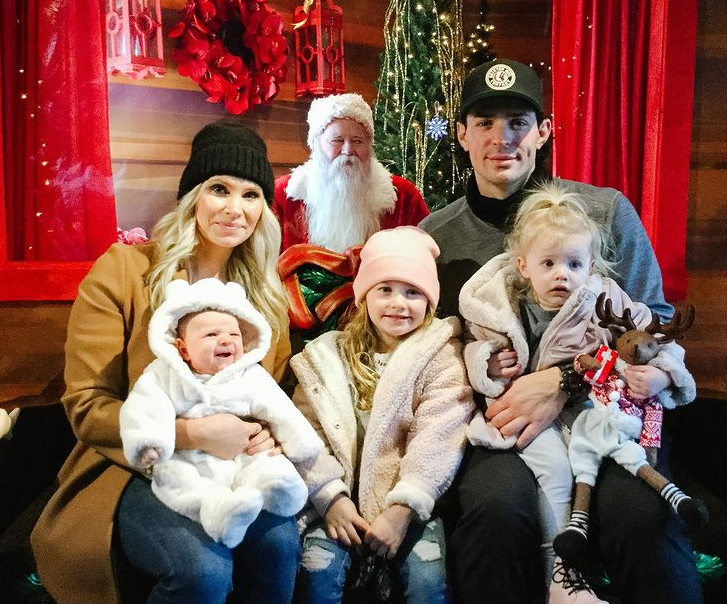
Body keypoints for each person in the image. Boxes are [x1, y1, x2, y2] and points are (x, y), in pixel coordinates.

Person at [419, 59, 703, 604]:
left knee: (638, 513)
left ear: (543, 131)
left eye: (518, 121)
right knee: (495, 508)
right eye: (484, 122)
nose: (502, 138)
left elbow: (652, 324)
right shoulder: (437, 236)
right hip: (501, 425)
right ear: (461, 135)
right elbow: (435, 349)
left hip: (607, 410)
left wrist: (566, 381)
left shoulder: (604, 211)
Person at [31, 120, 301, 604]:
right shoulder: (125, 272)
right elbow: (87, 406)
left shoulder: (265, 299)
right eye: (219, 189)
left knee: (281, 545)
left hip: (228, 467)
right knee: (200, 569)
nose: (235, 209)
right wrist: (191, 433)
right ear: (193, 195)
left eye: (252, 195)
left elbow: (266, 398)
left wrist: (262, 432)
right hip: (130, 467)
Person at [458, 184, 698, 602]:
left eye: (574, 264)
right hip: (528, 424)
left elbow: (657, 337)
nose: (561, 275)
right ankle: (563, 575)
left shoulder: (602, 298)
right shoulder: (496, 303)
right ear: (524, 265)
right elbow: (471, 345)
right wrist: (488, 366)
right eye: (548, 263)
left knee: (633, 495)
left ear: (591, 267)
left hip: (594, 416)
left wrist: (660, 376)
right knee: (553, 474)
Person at [289, 226, 475, 604]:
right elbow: (303, 433)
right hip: (336, 505)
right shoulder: (327, 359)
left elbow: (440, 436)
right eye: (384, 289)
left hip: (410, 507)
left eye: (413, 292)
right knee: (316, 576)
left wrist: (404, 507)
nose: (398, 303)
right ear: (363, 296)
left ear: (430, 301)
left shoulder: (440, 357)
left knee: (427, 581)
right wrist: (330, 497)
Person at [120, 278, 324, 548]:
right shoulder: (165, 375)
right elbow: (144, 407)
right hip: (187, 458)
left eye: (234, 334)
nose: (225, 340)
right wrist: (148, 441)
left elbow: (280, 409)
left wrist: (301, 443)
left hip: (242, 453)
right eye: (211, 335)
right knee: (179, 481)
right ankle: (218, 512)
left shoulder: (250, 375)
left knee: (266, 463)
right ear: (183, 349)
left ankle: (279, 489)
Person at [273, 93, 430, 253]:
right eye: (337, 140)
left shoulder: (403, 196)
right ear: (317, 145)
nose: (348, 151)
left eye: (357, 141)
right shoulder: (283, 194)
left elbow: (425, 255)